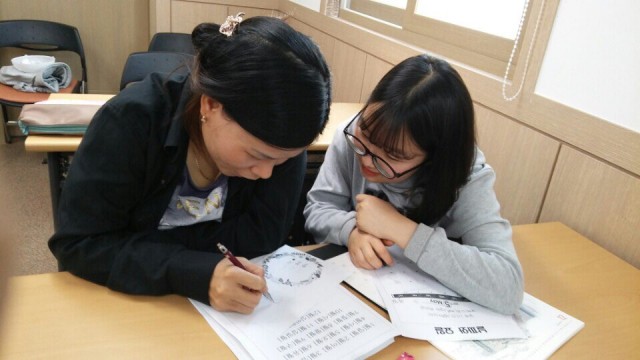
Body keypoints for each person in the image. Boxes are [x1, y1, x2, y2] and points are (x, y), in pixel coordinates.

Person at [49, 15, 332, 314]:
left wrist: (143, 246)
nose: (266, 173)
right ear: (210, 104)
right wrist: (190, 270)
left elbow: (264, 236)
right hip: (127, 308)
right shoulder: (131, 122)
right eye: (256, 155)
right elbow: (80, 245)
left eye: (284, 160)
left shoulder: (280, 140)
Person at [304, 54, 523, 314]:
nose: (369, 160)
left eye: (394, 155)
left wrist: (403, 230)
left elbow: (507, 287)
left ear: (435, 158)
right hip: (362, 297)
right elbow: (317, 209)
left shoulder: (468, 176)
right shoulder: (350, 136)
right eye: (366, 135)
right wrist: (352, 230)